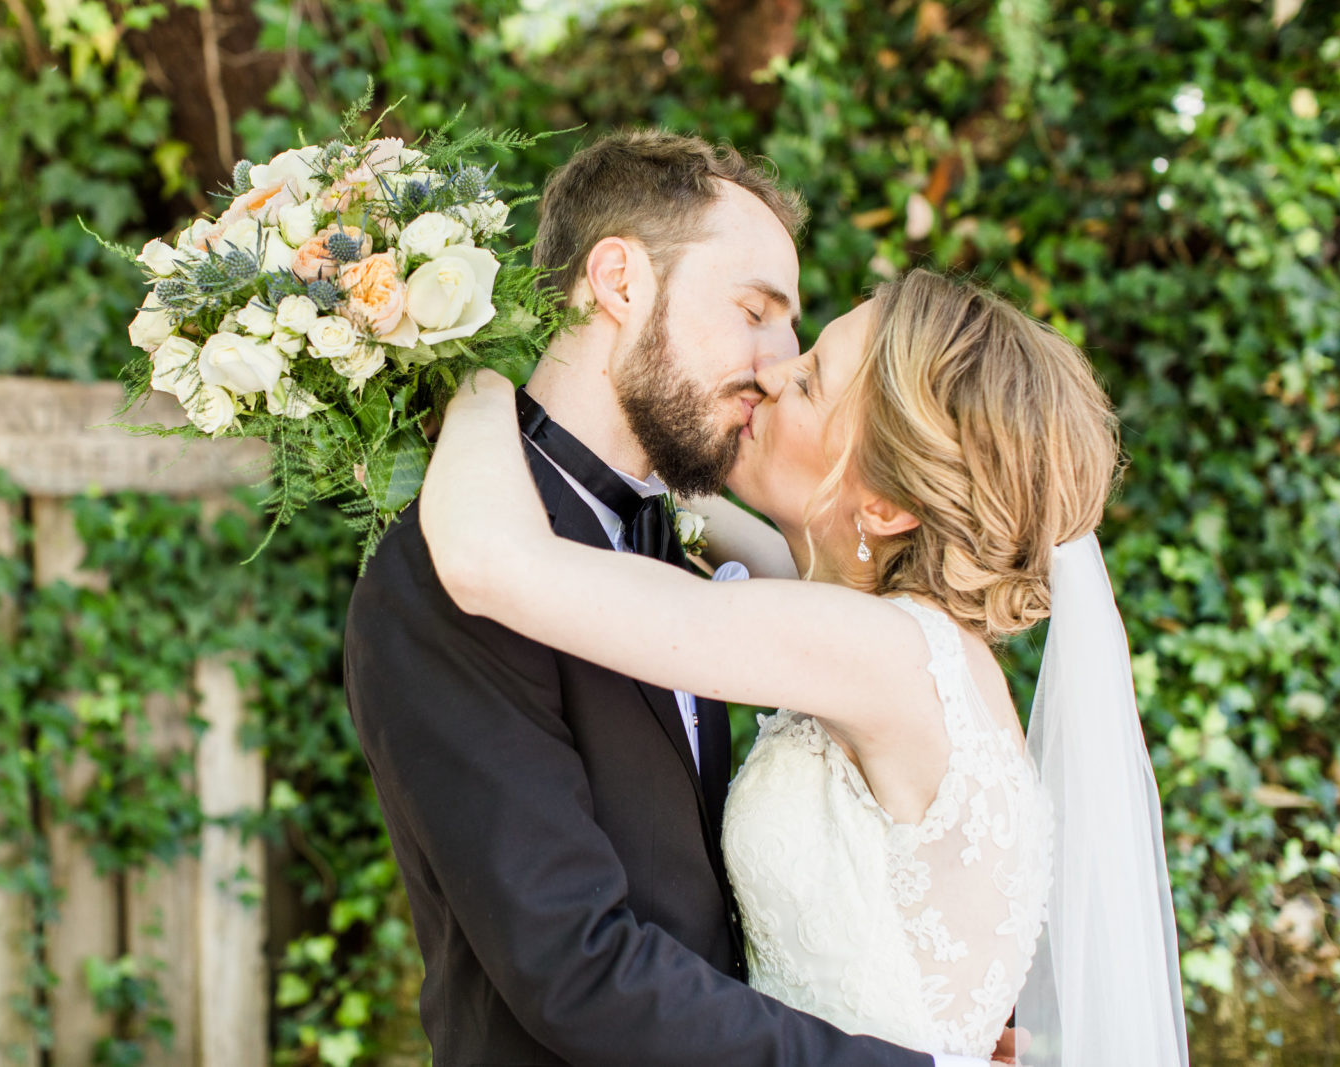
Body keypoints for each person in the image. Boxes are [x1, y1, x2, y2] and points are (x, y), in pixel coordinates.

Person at [418, 268, 1191, 1065]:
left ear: (886, 507)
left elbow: (487, 559)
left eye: (812, 382)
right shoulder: (893, 639)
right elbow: (666, 494)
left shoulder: (882, 655)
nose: (772, 373)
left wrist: (471, 376)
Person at [344, 133, 993, 1064]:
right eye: (754, 310)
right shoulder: (444, 571)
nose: (777, 366)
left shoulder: (682, 543)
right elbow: (576, 968)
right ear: (618, 281)